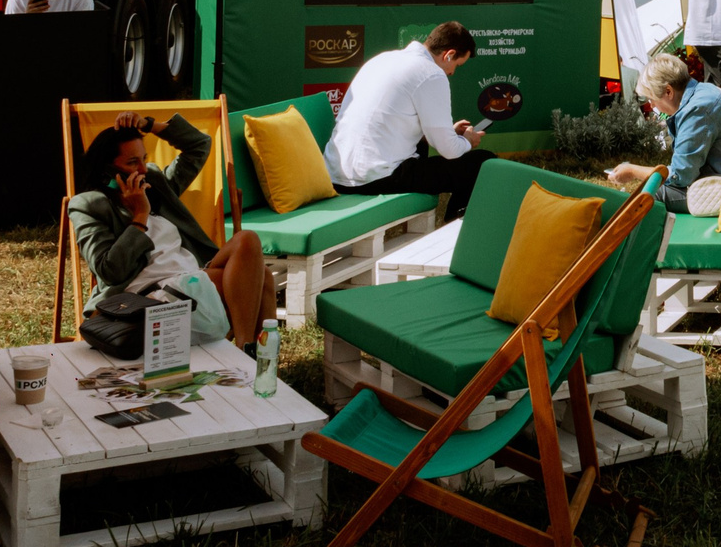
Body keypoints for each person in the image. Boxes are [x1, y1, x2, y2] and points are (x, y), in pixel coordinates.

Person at [70, 112, 276, 333]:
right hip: (146, 294)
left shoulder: (155, 184)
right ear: (107, 171)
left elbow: (199, 145)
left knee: (248, 244)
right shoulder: (89, 205)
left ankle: (249, 349)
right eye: (132, 162)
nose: (142, 169)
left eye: (144, 159)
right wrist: (140, 216)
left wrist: (148, 125)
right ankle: (246, 349)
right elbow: (110, 271)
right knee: (257, 276)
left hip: (190, 277)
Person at [322, 21, 492, 220]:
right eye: (457, 65)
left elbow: (391, 123)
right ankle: (455, 229)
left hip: (334, 175)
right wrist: (467, 141)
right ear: (449, 54)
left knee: (422, 149)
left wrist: (449, 133)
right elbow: (450, 151)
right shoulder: (432, 73)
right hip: (374, 178)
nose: (453, 72)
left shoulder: (380, 59)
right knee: (481, 162)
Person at [609, 57, 721, 212]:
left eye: (651, 98)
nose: (651, 104)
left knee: (646, 197)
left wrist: (633, 171)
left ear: (668, 92)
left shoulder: (698, 110)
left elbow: (680, 176)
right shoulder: (705, 93)